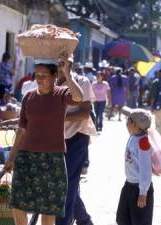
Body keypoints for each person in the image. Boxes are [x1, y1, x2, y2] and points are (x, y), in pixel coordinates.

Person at [4, 57, 83, 225]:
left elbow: (78, 97)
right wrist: (11, 158)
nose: (39, 79)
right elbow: (21, 130)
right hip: (26, 157)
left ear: (54, 76)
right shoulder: (28, 97)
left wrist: (67, 73)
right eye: (37, 75)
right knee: (18, 202)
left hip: (52, 158)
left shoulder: (61, 94)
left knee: (48, 208)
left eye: (44, 75)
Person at [56, 56, 95, 225]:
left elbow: (85, 113)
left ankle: (64, 222)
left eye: (62, 63)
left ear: (69, 64)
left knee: (68, 183)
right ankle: (84, 220)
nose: (58, 66)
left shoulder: (82, 81)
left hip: (77, 137)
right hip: (55, 137)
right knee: (60, 183)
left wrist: (60, 117)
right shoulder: (50, 83)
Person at [116, 107, 154, 225]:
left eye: (128, 121)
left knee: (140, 221)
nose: (126, 124)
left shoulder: (143, 142)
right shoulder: (133, 136)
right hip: (129, 185)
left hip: (139, 189)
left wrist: (143, 193)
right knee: (122, 219)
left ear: (134, 124)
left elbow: (146, 169)